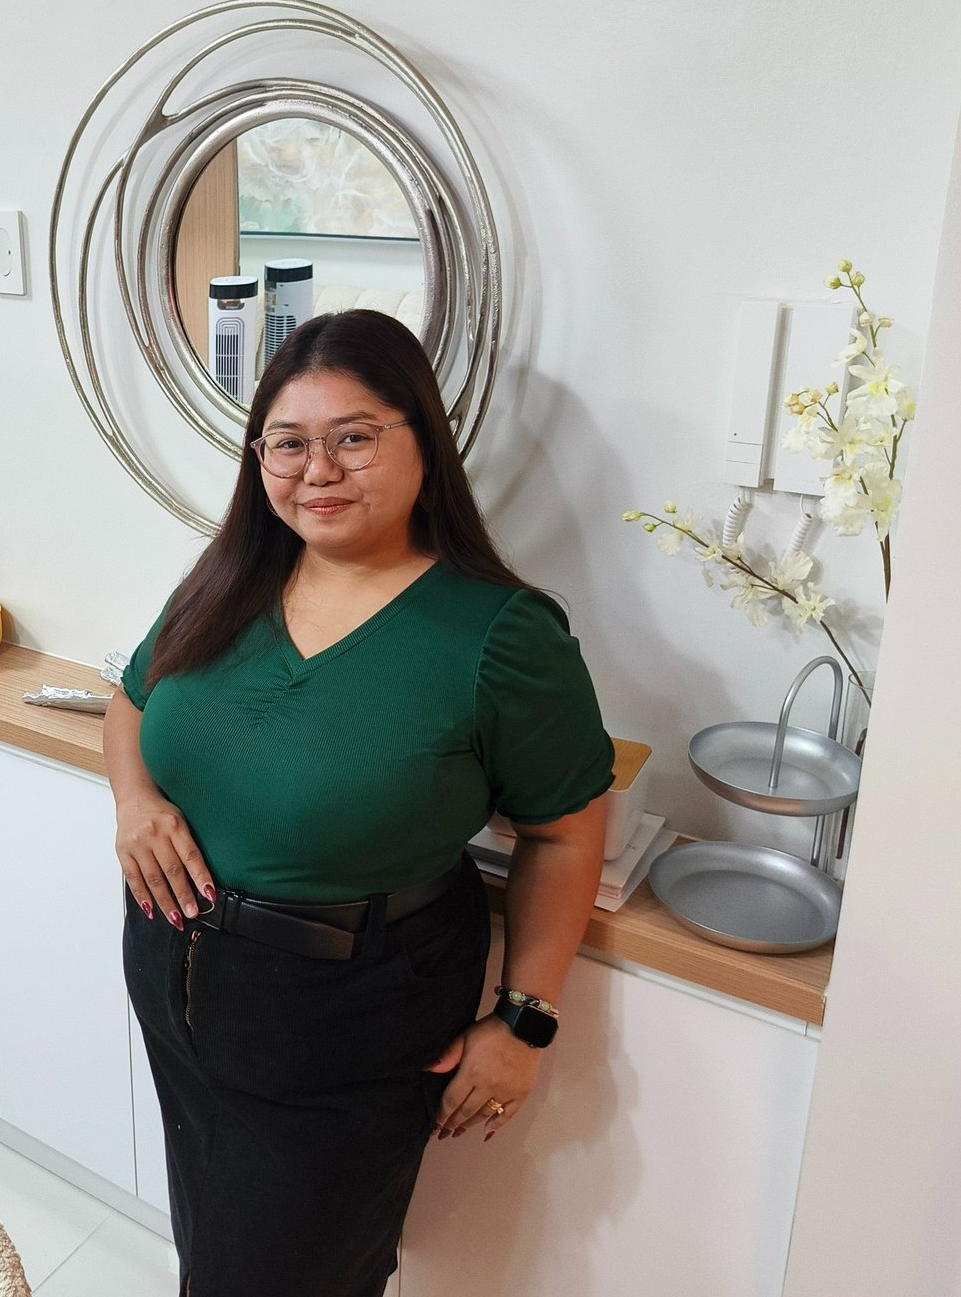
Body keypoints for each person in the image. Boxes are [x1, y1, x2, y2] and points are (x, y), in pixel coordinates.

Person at [103, 308, 618, 1297]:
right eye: (287, 444)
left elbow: (564, 830)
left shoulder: (499, 635)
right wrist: (135, 802)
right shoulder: (229, 580)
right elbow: (131, 703)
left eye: (355, 437)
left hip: (348, 1010)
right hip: (178, 976)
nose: (318, 470)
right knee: (217, 1250)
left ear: (423, 437)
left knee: (291, 1273)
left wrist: (527, 1024)